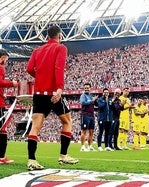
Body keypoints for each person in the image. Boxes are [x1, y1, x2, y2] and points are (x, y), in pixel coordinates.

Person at [26, 25, 78, 171]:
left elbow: (29, 69)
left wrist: (41, 78)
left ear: (47, 36)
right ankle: (63, 155)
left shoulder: (37, 50)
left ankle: (31, 160)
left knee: (35, 127)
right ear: (59, 35)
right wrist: (59, 88)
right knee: (67, 121)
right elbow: (58, 67)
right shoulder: (61, 48)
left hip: (38, 93)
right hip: (53, 93)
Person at [0, 49, 18, 164]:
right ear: (2, 57)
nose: (6, 61)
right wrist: (12, 83)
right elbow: (0, 82)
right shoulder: (0, 67)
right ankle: (1, 157)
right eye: (6, 59)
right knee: (2, 130)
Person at [80, 83, 98, 152]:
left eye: (88, 87)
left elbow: (96, 104)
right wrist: (92, 101)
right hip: (85, 115)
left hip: (91, 115)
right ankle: (82, 146)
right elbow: (83, 103)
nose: (86, 89)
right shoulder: (83, 96)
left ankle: (90, 146)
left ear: (90, 88)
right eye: (85, 88)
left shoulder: (91, 96)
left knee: (91, 132)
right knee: (84, 131)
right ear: (84, 88)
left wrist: (96, 100)